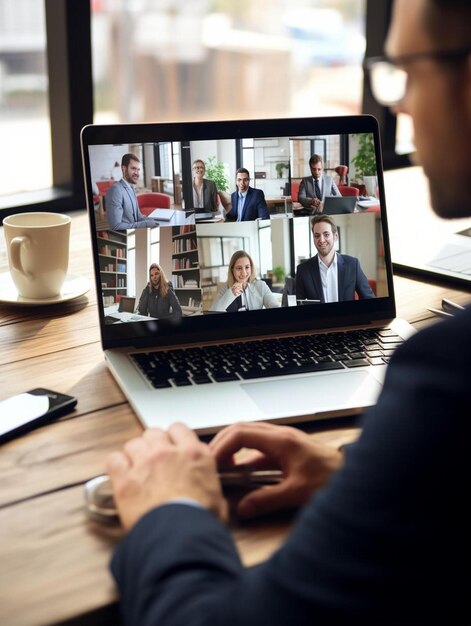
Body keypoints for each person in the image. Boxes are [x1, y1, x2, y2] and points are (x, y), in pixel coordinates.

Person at [105, 1, 471, 624]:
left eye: (408, 69)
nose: (402, 105)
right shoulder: (211, 282)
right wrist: (360, 468)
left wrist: (172, 511)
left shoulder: (448, 374)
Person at [295, 215, 375, 302]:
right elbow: (298, 305)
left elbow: (369, 299)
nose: (321, 240)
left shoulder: (352, 265)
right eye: (317, 236)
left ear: (335, 236)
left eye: (326, 234)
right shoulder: (302, 270)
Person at [211, 250, 280, 312]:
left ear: (251, 268)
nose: (244, 273)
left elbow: (274, 306)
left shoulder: (261, 285)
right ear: (232, 269)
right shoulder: (225, 288)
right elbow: (213, 311)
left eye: (247, 267)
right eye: (239, 268)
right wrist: (231, 294)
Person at [105, 153, 158, 230]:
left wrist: (152, 220)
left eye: (138, 169)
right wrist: (145, 224)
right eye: (133, 168)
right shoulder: (115, 190)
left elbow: (138, 216)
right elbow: (115, 226)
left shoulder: (131, 188)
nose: (137, 173)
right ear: (124, 169)